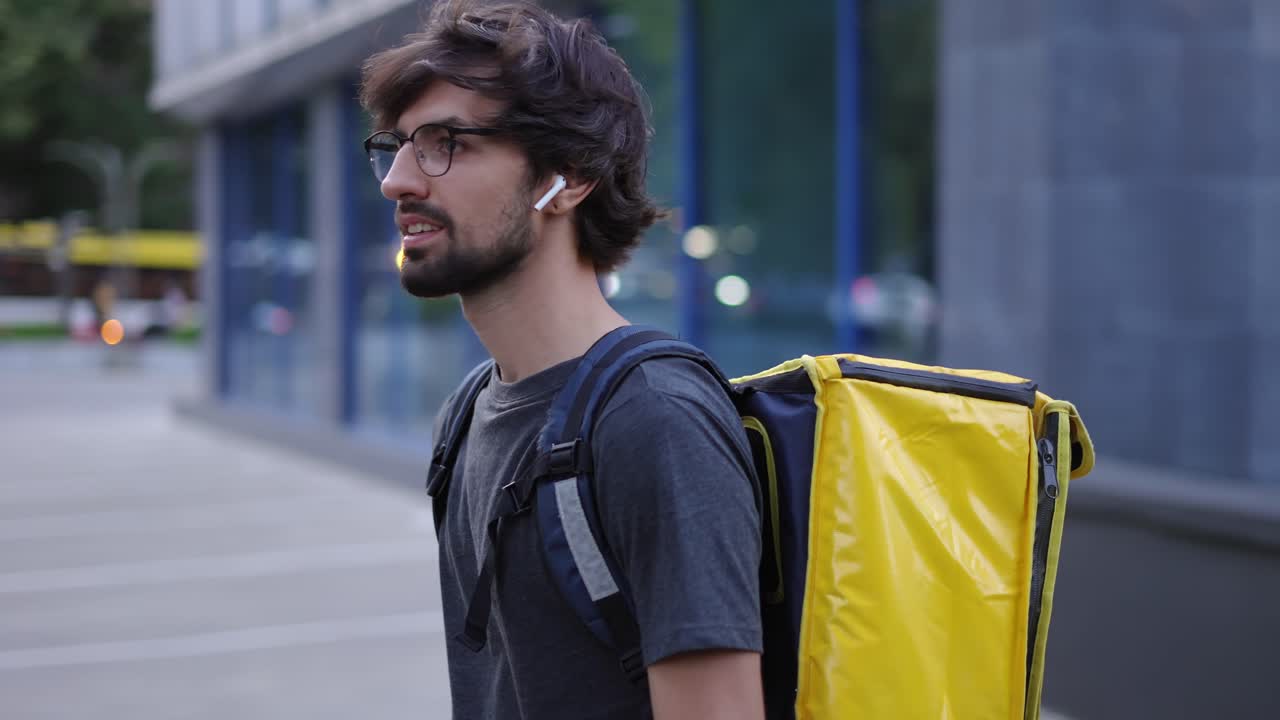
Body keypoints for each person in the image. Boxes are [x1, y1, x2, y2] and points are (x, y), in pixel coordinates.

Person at [358, 1, 764, 718]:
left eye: (445, 143)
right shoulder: (470, 413)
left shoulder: (653, 423)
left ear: (567, 178)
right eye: (396, 146)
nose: (398, 181)